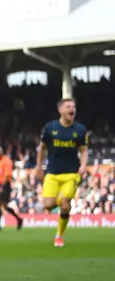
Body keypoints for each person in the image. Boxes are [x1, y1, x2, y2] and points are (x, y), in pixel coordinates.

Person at [36, 98, 89, 247]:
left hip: (71, 174)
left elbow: (84, 150)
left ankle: (59, 235)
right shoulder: (50, 128)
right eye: (68, 106)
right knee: (48, 205)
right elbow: (42, 147)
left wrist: (84, 165)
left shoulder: (80, 130)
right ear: (61, 110)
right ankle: (63, 203)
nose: (72, 109)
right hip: (52, 173)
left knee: (64, 204)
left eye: (73, 106)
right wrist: (38, 166)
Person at [0, 146, 23, 231]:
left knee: (3, 205)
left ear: (0, 152)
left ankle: (18, 219)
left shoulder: (7, 161)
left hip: (4, 185)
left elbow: (7, 175)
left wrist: (2, 186)